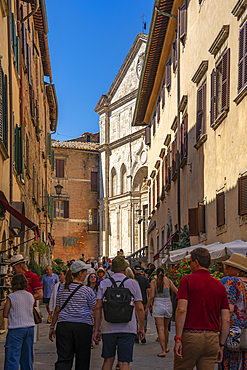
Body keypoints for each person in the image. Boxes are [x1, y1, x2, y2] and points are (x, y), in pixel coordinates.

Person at [174, 247, 230, 370]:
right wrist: (221, 345)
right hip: (212, 338)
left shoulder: (186, 281)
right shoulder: (220, 286)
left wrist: (178, 338)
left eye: (190, 262)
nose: (189, 265)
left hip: (191, 336)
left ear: (196, 262)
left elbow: (181, 310)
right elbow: (226, 319)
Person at [94, 255, 145, 370]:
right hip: (127, 328)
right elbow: (140, 308)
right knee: (123, 363)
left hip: (108, 328)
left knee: (108, 360)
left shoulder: (104, 283)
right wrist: (141, 326)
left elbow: (98, 307)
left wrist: (97, 329)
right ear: (124, 269)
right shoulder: (133, 284)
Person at [49, 260, 96, 370]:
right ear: (80, 273)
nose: (86, 274)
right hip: (83, 327)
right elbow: (94, 309)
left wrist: (52, 326)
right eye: (85, 271)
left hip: (64, 326)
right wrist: (96, 328)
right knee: (83, 360)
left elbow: (57, 309)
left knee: (64, 359)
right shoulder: (87, 291)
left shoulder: (63, 288)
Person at [220, 253, 247, 370]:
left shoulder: (233, 282)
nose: (225, 268)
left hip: (234, 333)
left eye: (229, 266)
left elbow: (228, 311)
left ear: (238, 270)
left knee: (231, 362)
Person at [3, 274, 35, 370]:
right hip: (30, 328)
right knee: (27, 356)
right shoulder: (30, 296)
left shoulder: (11, 297)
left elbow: (5, 314)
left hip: (16, 329)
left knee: (12, 357)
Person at [145, 267, 177, 356]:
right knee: (166, 328)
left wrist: (147, 308)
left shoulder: (153, 282)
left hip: (158, 304)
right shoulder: (169, 281)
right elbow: (177, 291)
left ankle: (163, 351)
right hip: (168, 304)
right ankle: (166, 347)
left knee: (161, 329)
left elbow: (151, 296)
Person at [134, 265, 150, 344]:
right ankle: (143, 333)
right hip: (143, 300)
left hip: (133, 301)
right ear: (141, 271)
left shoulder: (132, 279)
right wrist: (150, 303)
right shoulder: (145, 279)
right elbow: (148, 290)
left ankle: (136, 336)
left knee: (135, 318)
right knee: (144, 318)